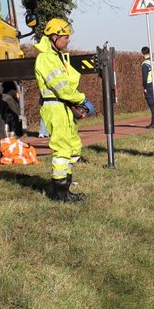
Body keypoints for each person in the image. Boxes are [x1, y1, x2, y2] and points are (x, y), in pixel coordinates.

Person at [35, 18, 93, 202]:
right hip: (56, 108)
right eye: (65, 37)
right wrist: (81, 99)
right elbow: (61, 88)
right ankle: (60, 194)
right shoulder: (45, 58)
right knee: (61, 150)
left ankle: (65, 191)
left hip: (63, 106)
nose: (68, 40)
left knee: (70, 147)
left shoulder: (55, 56)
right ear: (54, 37)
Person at [140, 46, 154, 127]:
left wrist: (144, 87)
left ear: (143, 53)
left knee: (151, 103)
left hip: (149, 84)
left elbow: (145, 77)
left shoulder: (145, 64)